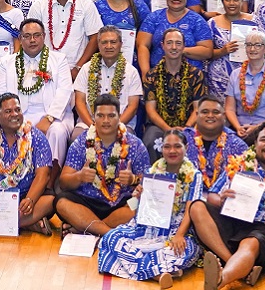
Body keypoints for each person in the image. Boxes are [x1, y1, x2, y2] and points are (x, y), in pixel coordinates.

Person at [191, 121, 265, 290]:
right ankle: (234, 263)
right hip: (232, 217)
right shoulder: (239, 163)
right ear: (255, 144)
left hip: (264, 227)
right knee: (197, 207)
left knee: (249, 244)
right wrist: (221, 200)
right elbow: (212, 194)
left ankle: (220, 279)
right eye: (264, 139)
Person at [98, 127, 203, 285]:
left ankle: (144, 268)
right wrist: (136, 196)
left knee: (182, 250)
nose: (172, 151)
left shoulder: (194, 175)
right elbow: (133, 208)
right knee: (110, 238)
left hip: (177, 228)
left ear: (186, 148)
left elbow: (190, 209)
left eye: (177, 146)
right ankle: (159, 273)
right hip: (146, 227)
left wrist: (180, 235)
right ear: (161, 149)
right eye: (167, 147)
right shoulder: (152, 171)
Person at [55, 92, 150, 236]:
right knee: (61, 203)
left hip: (121, 204)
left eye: (111, 116)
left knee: (138, 205)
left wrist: (133, 180)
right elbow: (63, 182)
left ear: (119, 117)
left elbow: (149, 186)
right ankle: (109, 234)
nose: (106, 120)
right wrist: (79, 177)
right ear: (94, 117)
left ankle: (85, 227)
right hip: (88, 203)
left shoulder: (135, 145)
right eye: (100, 115)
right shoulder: (82, 143)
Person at [0, 92, 55, 237]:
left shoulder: (36, 137)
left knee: (50, 201)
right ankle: (28, 224)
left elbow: (43, 175)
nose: (15, 114)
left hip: (24, 199)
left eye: (17, 110)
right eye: (8, 111)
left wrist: (30, 199)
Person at [0, 19, 75, 166]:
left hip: (52, 116)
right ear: (20, 39)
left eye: (37, 35)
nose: (32, 40)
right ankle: (15, 175)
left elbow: (65, 91)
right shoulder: (7, 62)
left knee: (57, 132)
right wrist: (13, 117)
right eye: (27, 36)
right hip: (18, 115)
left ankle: (50, 179)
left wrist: (49, 118)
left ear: (44, 36)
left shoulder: (59, 59)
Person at [28, 0, 103, 78]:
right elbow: (30, 37)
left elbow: (95, 37)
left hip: (78, 70)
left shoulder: (86, 4)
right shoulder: (38, 5)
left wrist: (78, 67)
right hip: (45, 69)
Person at [143, 29, 208, 155]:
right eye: (169, 43)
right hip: (160, 126)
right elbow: (151, 111)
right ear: (162, 46)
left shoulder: (196, 74)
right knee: (151, 140)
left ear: (184, 46)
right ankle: (154, 175)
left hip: (189, 126)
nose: (174, 47)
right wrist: (169, 130)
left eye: (178, 43)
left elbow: (198, 109)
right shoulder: (152, 75)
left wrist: (185, 129)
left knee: (197, 141)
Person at [137, 0, 214, 81]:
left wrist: (177, 50)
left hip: (190, 80)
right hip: (157, 78)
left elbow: (207, 51)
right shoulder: (153, 17)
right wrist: (146, 74)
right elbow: (142, 45)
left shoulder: (197, 20)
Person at [73, 25, 142, 136]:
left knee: (127, 139)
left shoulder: (131, 72)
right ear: (98, 45)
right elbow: (79, 103)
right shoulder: (86, 69)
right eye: (104, 42)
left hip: (121, 124)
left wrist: (116, 126)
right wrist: (93, 126)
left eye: (113, 42)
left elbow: (133, 107)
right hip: (88, 123)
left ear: (121, 44)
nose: (108, 46)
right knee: (77, 136)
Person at [225, 30, 265, 139]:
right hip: (238, 129)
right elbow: (229, 109)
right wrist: (238, 127)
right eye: (249, 45)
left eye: (258, 45)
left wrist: (256, 128)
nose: (252, 49)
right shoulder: (235, 74)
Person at [184, 95, 249, 191]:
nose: (210, 115)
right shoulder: (182, 140)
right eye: (205, 112)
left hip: (224, 200)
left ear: (224, 116)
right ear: (196, 115)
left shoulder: (238, 146)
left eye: (216, 112)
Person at [207, 0, 250, 98]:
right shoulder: (212, 23)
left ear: (242, 1)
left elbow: (264, 49)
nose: (232, 3)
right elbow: (206, 54)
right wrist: (222, 51)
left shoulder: (253, 21)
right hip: (219, 78)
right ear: (222, 1)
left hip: (247, 78)